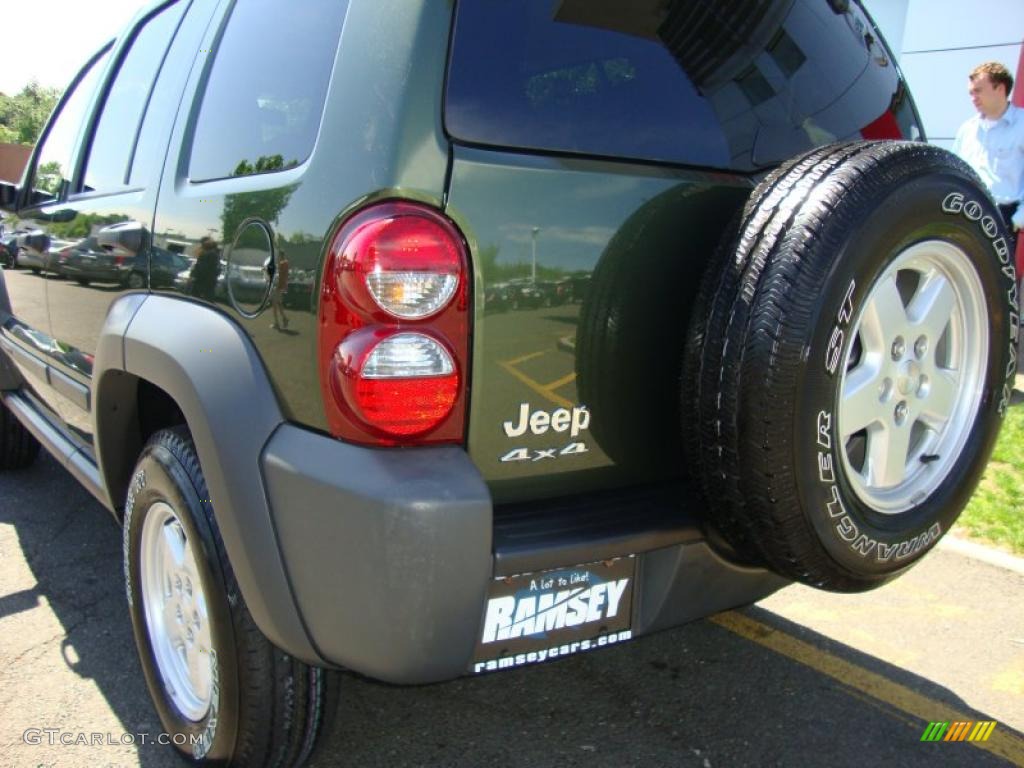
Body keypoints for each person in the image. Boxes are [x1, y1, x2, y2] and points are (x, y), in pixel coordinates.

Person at [952, 62, 1024, 247]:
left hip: (1002, 218)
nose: (973, 98)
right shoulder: (967, 129)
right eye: (971, 93)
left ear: (1000, 88)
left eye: (978, 91)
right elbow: (953, 170)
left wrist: (1020, 216)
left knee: (993, 276)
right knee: (954, 272)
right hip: (962, 212)